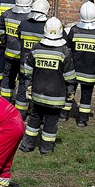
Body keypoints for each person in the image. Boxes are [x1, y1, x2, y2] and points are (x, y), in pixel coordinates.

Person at [19, 17, 75, 155]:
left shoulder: (36, 48)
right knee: (51, 121)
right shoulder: (64, 51)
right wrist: (70, 91)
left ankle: (27, 145)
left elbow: (27, 68)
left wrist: (29, 83)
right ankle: (46, 148)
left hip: (38, 93)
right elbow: (69, 76)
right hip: (56, 96)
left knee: (34, 119)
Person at [62, 2, 95, 127]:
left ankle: (63, 115)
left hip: (74, 70)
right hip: (90, 72)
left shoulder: (74, 30)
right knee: (86, 95)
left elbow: (67, 49)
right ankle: (82, 119)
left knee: (69, 92)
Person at [14, 0, 50, 118]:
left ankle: (20, 113)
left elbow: (19, 39)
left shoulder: (23, 24)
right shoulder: (48, 27)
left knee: (23, 88)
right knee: (42, 90)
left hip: (25, 63)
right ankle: (39, 115)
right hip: (42, 67)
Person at [0, 0, 34, 102]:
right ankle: (21, 106)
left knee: (8, 77)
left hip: (9, 53)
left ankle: (4, 102)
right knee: (24, 80)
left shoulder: (7, 14)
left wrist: (5, 42)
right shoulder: (31, 18)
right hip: (25, 57)